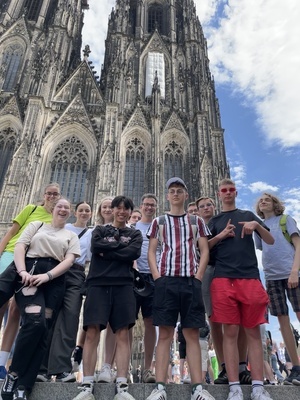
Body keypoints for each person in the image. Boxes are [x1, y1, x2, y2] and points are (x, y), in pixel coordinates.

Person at [0, 198, 81, 400]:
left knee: (44, 329)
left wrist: (48, 276)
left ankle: (24, 387)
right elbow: (20, 246)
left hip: (53, 281)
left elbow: (70, 260)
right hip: (30, 274)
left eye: (66, 207)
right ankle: (14, 373)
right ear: (53, 209)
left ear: (70, 213)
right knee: (35, 323)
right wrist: (22, 271)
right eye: (59, 206)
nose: (62, 209)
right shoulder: (37, 225)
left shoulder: (71, 235)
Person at [147, 177, 215, 400]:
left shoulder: (196, 221)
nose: (175, 194)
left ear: (186, 195)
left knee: (192, 334)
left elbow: (204, 250)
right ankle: (160, 386)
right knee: (165, 334)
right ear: (167, 196)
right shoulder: (159, 222)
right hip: (166, 281)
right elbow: (152, 251)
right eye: (172, 191)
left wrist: (198, 276)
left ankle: (198, 387)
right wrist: (157, 277)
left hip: (190, 281)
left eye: (179, 191)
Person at [208, 179, 274, 400]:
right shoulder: (215, 220)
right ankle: (234, 386)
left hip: (249, 278)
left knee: (253, 332)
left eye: (231, 190)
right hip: (223, 279)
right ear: (219, 194)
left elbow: (270, 239)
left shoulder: (247, 214)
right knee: (230, 333)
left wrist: (256, 225)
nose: (227, 193)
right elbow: (203, 248)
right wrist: (220, 235)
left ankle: (257, 386)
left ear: (235, 193)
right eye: (224, 190)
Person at [72, 195, 143, 400]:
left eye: (125, 209)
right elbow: (97, 248)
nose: (121, 211)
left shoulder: (135, 234)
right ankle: (87, 384)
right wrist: (121, 250)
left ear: (130, 212)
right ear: (112, 210)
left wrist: (110, 250)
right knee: (92, 332)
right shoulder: (99, 231)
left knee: (122, 333)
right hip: (97, 283)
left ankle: (121, 385)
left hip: (123, 285)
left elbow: (133, 253)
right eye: (117, 208)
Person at [0, 183, 61, 381]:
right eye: (49, 193)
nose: (52, 197)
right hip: (10, 255)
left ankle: (2, 363)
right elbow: (10, 233)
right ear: (44, 195)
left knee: (16, 311)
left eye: (56, 195)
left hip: (31, 263)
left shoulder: (56, 220)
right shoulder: (31, 209)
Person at [196, 196, 251, 385]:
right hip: (209, 271)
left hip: (231, 271)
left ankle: (242, 366)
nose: (205, 208)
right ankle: (224, 367)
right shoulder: (197, 226)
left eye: (208, 205)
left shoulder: (223, 220)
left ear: (214, 206)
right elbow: (201, 249)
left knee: (239, 318)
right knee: (215, 321)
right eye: (201, 206)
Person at [37, 201, 93, 382]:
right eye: (81, 210)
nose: (84, 213)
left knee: (70, 318)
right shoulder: (65, 228)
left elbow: (90, 259)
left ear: (91, 214)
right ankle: (41, 368)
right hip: (56, 271)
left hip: (76, 274)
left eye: (87, 211)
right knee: (49, 317)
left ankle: (61, 368)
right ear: (75, 212)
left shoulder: (92, 233)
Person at [255, 192, 300, 386]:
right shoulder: (260, 227)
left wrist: (294, 271)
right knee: (282, 321)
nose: (263, 202)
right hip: (272, 277)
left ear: (275, 204)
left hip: (291, 274)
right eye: (261, 200)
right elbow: (263, 250)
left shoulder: (285, 219)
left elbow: (298, 245)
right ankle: (296, 368)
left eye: (267, 199)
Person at [131, 194, 158, 384]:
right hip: (133, 276)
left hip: (154, 277)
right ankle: (121, 370)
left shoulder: (161, 227)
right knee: (125, 323)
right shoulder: (132, 227)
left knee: (150, 322)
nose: (149, 208)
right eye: (146, 205)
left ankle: (148, 369)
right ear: (141, 207)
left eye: (152, 205)